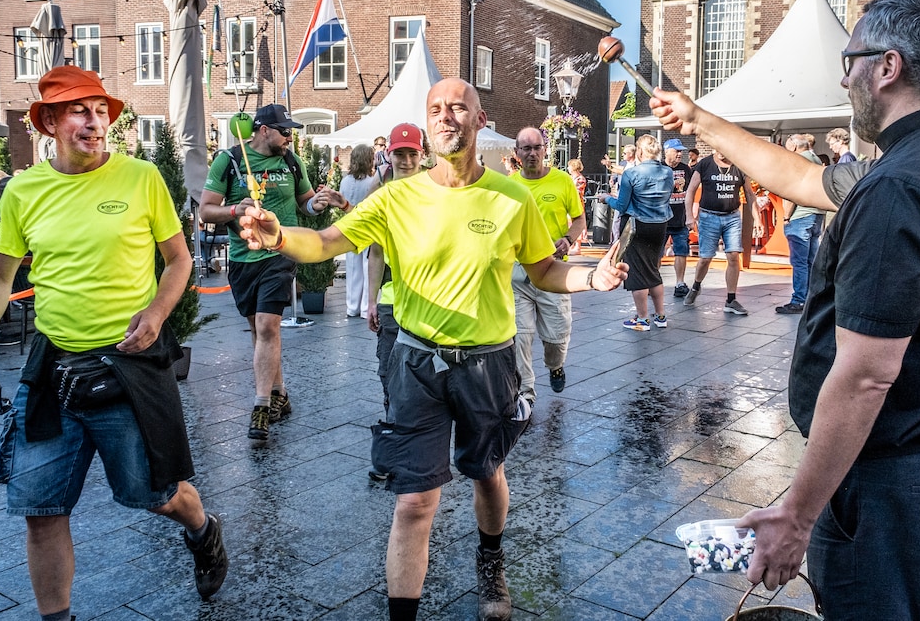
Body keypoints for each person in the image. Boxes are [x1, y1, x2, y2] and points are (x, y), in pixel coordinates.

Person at [649, 0, 920, 618]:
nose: (845, 78)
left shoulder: (900, 186)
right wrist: (700, 119)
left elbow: (866, 375)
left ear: (888, 67)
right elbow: (801, 178)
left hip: (901, 483)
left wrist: (798, 514)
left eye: (851, 60)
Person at [238, 78, 628, 621]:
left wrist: (591, 278)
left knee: (486, 472)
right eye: (436, 109)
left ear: (479, 118)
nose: (446, 116)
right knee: (415, 500)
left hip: (489, 363)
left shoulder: (512, 197)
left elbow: (543, 269)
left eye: (458, 108)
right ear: (427, 125)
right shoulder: (396, 197)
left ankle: (490, 560)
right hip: (417, 362)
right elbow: (326, 242)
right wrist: (279, 236)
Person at [0, 66, 229, 621]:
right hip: (52, 370)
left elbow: (179, 261)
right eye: (79, 111)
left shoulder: (141, 178)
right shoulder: (23, 190)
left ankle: (203, 529)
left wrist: (157, 313)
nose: (95, 121)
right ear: (50, 122)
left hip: (129, 366)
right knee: (41, 509)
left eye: (101, 111)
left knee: (157, 495)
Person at [200, 103, 330, 441]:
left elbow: (305, 203)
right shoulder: (229, 161)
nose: (289, 137)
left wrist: (317, 204)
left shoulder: (291, 161)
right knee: (259, 331)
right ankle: (279, 392)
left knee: (267, 325)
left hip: (280, 252)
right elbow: (206, 211)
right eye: (284, 131)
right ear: (263, 130)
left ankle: (260, 406)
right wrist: (234, 209)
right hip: (243, 257)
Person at [365, 122, 427, 483]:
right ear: (389, 154)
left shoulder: (434, 193)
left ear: (422, 155)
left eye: (411, 153)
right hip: (391, 299)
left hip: (427, 300)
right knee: (389, 373)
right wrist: (371, 301)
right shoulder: (381, 196)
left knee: (423, 377)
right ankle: (391, 449)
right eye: (399, 153)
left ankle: (419, 445)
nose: (405, 160)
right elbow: (375, 253)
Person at [510, 127, 587, 401]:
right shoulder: (509, 186)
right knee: (520, 337)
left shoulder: (562, 181)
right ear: (517, 153)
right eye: (526, 148)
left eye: (537, 148)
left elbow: (580, 220)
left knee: (556, 338)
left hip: (554, 270)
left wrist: (568, 239)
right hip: (518, 273)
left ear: (545, 150)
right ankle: (525, 394)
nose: (532, 153)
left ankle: (555, 366)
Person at [609, 134, 674, 331]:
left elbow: (621, 205)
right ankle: (660, 316)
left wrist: (607, 199)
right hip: (661, 225)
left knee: (637, 273)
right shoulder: (668, 172)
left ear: (639, 151)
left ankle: (643, 319)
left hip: (639, 225)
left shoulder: (632, 173)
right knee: (653, 269)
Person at [682, 150, 757, 315]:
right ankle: (696, 286)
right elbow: (691, 190)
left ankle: (731, 299)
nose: (721, 153)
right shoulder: (705, 164)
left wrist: (757, 219)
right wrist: (689, 216)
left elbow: (749, 194)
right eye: (718, 149)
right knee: (705, 258)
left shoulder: (739, 165)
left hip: (732, 216)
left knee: (733, 255)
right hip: (709, 216)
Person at [777, 134, 825, 315]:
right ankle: (811, 299)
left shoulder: (797, 161)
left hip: (800, 216)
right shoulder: (816, 160)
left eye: (787, 145)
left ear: (794, 146)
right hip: (816, 214)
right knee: (811, 261)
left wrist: (786, 217)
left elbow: (792, 192)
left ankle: (798, 300)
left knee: (799, 262)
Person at [341, 144, 380, 318]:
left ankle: (352, 306)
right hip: (368, 227)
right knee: (367, 267)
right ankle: (366, 307)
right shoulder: (372, 182)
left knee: (352, 268)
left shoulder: (345, 181)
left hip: (350, 226)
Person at [662, 139, 694, 298]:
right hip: (661, 218)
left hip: (680, 218)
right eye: (677, 151)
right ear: (667, 152)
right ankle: (653, 283)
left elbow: (690, 192)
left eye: (681, 151)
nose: (680, 154)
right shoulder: (659, 168)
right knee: (656, 252)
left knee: (681, 251)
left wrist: (691, 215)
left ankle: (680, 283)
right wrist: (672, 184)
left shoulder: (686, 169)